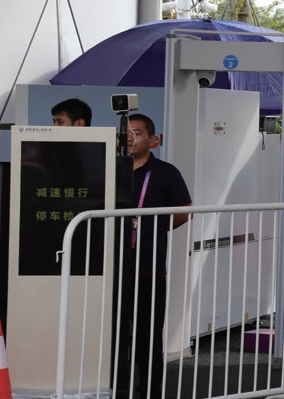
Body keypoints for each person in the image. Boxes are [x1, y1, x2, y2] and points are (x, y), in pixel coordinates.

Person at [117, 113, 192, 399]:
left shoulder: (165, 172)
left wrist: (153, 229)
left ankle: (149, 391)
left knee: (147, 337)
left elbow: (184, 211)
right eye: (126, 132)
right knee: (114, 336)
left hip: (149, 268)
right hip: (112, 269)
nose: (130, 137)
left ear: (153, 140)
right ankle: (115, 390)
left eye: (136, 132)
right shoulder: (111, 168)